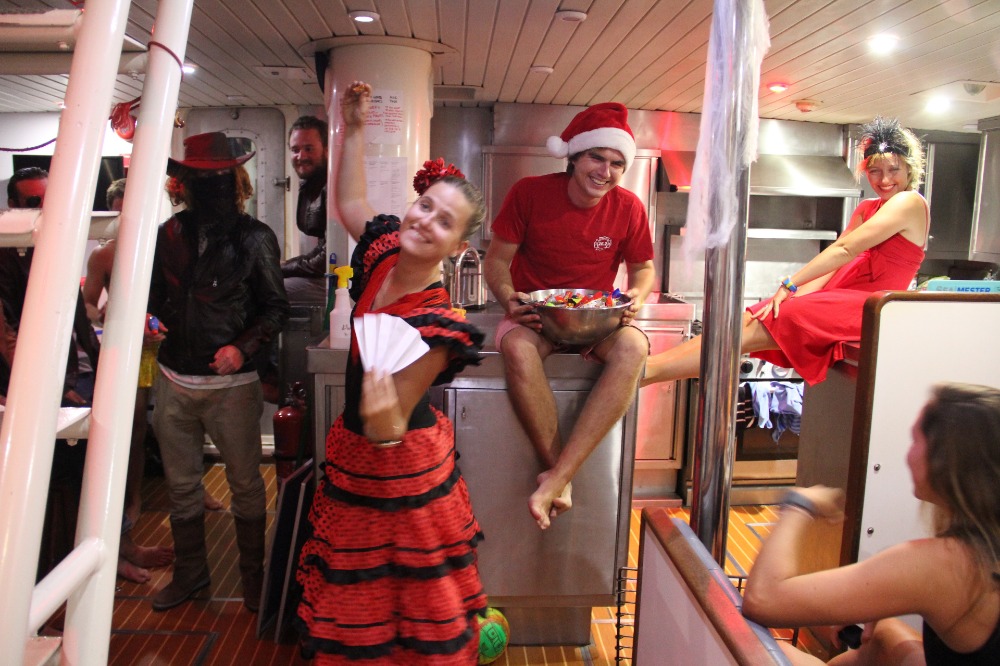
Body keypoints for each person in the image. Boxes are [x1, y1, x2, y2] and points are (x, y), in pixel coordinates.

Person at [295, 81, 488, 664]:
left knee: (410, 610)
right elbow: (350, 202)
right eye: (425, 205)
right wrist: (352, 127)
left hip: (401, 471)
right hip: (356, 454)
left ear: (457, 247)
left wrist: (381, 413)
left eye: (445, 222)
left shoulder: (438, 323)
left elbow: (390, 425)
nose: (426, 221)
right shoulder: (381, 252)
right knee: (362, 609)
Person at [642, 116, 928, 388]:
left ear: (909, 168)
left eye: (893, 170)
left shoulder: (910, 202)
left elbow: (845, 249)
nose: (884, 179)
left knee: (763, 325)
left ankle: (647, 372)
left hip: (869, 306)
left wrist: (790, 284)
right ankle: (649, 368)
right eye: (875, 171)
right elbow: (834, 266)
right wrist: (795, 295)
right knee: (754, 316)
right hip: (842, 295)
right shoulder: (868, 208)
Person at [483, 102, 655, 529]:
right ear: (574, 156)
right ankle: (559, 474)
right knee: (518, 348)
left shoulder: (630, 208)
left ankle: (558, 478)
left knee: (634, 347)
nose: (606, 171)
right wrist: (508, 299)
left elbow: (643, 269)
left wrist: (637, 294)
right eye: (597, 157)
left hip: (596, 320)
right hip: (537, 316)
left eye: (617, 163)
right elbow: (497, 261)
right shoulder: (529, 193)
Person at [743, 382, 1000, 665]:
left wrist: (798, 504)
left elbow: (763, 599)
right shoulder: (981, 550)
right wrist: (874, 602)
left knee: (755, 647)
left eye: (915, 440)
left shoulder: (948, 562)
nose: (907, 454)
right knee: (884, 633)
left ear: (944, 462)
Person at [148, 132, 289, 612]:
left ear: (236, 181)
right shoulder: (167, 235)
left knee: (246, 483)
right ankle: (191, 575)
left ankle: (253, 579)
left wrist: (240, 348)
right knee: (181, 485)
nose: (211, 188)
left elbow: (275, 308)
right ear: (185, 183)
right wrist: (151, 321)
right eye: (201, 179)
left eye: (220, 178)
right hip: (174, 377)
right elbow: (154, 298)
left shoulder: (255, 237)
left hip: (232, 384)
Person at [83, 179, 224, 526]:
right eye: (119, 213)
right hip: (130, 347)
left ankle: (196, 488)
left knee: (187, 419)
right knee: (134, 426)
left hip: (170, 341)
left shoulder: (168, 248)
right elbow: (87, 304)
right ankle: (134, 498)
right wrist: (104, 314)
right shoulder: (103, 255)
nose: (125, 220)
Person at [281, 115, 329, 303]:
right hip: (327, 274)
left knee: (265, 291)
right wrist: (285, 265)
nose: (301, 157)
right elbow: (321, 249)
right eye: (295, 150)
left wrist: (281, 268)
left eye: (309, 149)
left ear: (326, 150)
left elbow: (324, 260)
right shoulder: (313, 184)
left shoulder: (333, 187)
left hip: (343, 281)